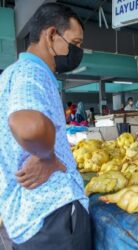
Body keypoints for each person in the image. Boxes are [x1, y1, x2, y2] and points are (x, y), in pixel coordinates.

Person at [0, 3, 91, 250]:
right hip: (53, 216)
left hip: (26, 220)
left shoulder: (9, 75)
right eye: (76, 43)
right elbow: (27, 125)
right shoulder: (33, 72)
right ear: (51, 36)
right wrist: (48, 157)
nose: (78, 50)